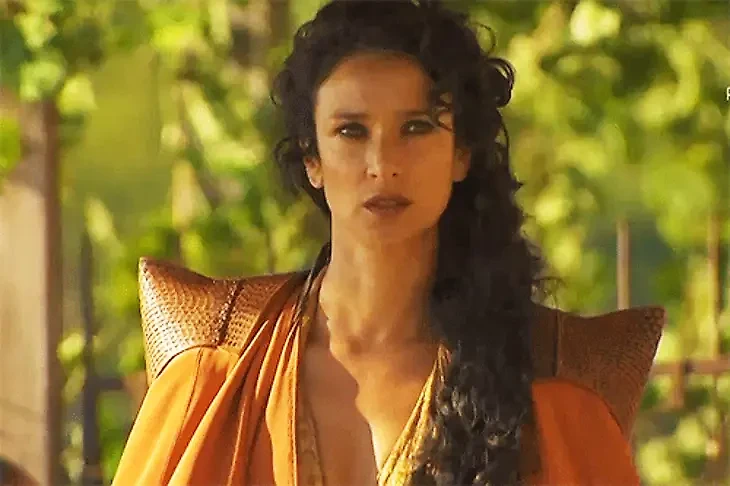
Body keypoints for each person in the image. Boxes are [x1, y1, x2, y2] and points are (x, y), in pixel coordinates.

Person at [112, 1, 665, 485]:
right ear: (312, 158)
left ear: (461, 154)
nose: (382, 165)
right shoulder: (218, 370)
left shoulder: (554, 388)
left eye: (417, 127)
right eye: (351, 131)